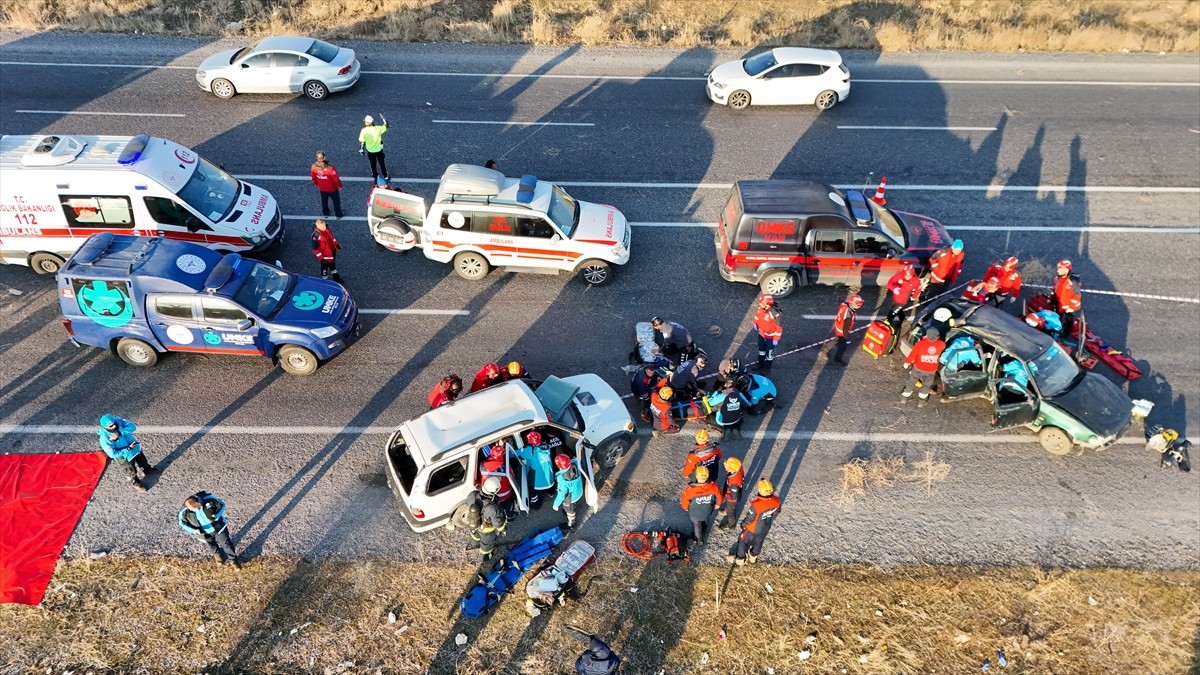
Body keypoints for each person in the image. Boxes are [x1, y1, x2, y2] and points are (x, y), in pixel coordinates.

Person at [178, 492, 240, 567]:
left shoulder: (208, 499)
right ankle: (217, 554)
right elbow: (182, 523)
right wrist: (194, 530)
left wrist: (216, 516)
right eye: (193, 510)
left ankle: (233, 560)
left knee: (226, 544)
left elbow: (222, 504)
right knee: (210, 545)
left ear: (198, 501)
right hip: (203, 533)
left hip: (218, 527)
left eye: (198, 507)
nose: (196, 510)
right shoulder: (184, 512)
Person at [728, 479, 781, 565]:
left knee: (743, 541)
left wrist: (743, 524)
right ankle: (753, 556)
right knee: (759, 542)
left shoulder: (756, 504)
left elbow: (750, 518)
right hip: (765, 528)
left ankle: (740, 559)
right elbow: (777, 511)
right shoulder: (776, 500)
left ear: (760, 490)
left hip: (751, 529)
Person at [97, 414, 155, 491]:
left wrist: (119, 433)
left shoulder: (119, 421)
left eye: (114, 423)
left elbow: (132, 427)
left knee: (143, 461)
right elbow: (112, 454)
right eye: (111, 426)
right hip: (124, 457)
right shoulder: (104, 439)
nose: (114, 426)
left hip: (134, 449)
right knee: (130, 471)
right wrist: (127, 449)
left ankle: (147, 470)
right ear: (105, 427)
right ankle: (135, 483)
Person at [902, 327, 946, 407]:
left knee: (911, 382)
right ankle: (921, 402)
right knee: (926, 385)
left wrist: (907, 362)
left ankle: (904, 397)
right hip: (931, 370)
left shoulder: (920, 344)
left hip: (918, 368)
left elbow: (913, 354)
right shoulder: (941, 344)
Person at [680, 465, 722, 546]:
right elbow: (719, 496)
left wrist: (685, 508)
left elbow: (684, 501)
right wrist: (718, 504)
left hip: (695, 513)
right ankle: (704, 528)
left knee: (697, 524)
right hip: (708, 510)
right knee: (705, 519)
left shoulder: (690, 490)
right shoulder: (714, 486)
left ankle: (699, 539)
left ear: (696, 476)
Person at [513, 430, 555, 510]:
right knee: (546, 488)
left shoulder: (530, 451)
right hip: (549, 479)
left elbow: (514, 453)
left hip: (537, 483)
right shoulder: (546, 446)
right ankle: (551, 492)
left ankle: (535, 506)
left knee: (534, 493)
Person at [470, 477, 507, 560]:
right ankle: (486, 556)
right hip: (486, 530)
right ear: (494, 491)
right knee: (487, 544)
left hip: (473, 524)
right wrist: (503, 529)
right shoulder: (492, 508)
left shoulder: (473, 494)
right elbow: (497, 523)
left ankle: (474, 543)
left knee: (475, 535)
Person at [479, 443, 516, 519]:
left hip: (490, 495)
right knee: (508, 509)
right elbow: (513, 477)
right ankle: (510, 517)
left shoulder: (482, 465)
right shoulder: (505, 467)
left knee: (496, 510)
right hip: (505, 495)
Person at [829, 293, 864, 366]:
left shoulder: (844, 305)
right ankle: (837, 359)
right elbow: (845, 330)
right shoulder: (849, 317)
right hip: (842, 332)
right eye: (858, 304)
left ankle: (825, 349)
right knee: (842, 347)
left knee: (836, 340)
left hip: (838, 327)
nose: (859, 306)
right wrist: (847, 338)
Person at [630, 358, 669, 423]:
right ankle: (646, 412)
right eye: (649, 373)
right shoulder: (641, 380)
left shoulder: (645, 368)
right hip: (638, 390)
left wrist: (658, 377)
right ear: (646, 370)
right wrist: (648, 400)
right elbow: (644, 393)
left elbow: (655, 373)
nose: (651, 374)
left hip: (640, 385)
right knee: (649, 399)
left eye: (652, 373)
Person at [552, 453, 584, 529]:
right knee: (572, 505)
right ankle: (571, 511)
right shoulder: (575, 463)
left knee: (569, 509)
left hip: (571, 498)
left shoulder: (563, 481)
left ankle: (571, 524)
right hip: (578, 491)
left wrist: (556, 505)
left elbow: (561, 495)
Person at [309, 151, 344, 219]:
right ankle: (338, 214)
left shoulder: (313, 167)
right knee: (336, 201)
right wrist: (339, 185)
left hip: (322, 187)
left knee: (324, 201)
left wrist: (316, 184)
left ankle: (325, 213)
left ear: (317, 158)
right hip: (332, 188)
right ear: (324, 157)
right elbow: (335, 178)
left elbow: (313, 177)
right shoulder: (329, 168)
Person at [1052, 259, 1083, 337]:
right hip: (1060, 303)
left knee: (1068, 320)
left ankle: (1066, 333)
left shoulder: (1073, 281)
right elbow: (1057, 288)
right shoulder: (1059, 278)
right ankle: (1057, 328)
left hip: (1068, 307)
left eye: (1060, 268)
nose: (1058, 270)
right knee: (1058, 316)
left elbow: (1077, 295)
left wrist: (1071, 307)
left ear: (1066, 269)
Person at [886, 264, 922, 331]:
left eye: (909, 276)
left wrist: (914, 297)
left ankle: (888, 323)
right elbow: (890, 282)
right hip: (895, 297)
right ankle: (902, 319)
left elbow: (918, 289)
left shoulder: (915, 281)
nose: (907, 277)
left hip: (903, 300)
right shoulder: (899, 275)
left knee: (893, 312)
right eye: (906, 275)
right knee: (897, 310)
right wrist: (893, 288)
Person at [753, 294, 783, 369]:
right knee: (761, 350)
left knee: (769, 354)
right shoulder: (760, 309)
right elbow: (757, 317)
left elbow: (779, 328)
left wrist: (776, 339)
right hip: (762, 334)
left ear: (767, 304)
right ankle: (760, 363)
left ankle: (767, 367)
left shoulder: (775, 314)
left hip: (771, 337)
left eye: (762, 303)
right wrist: (755, 323)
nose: (760, 304)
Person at [358, 113, 389, 183]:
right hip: (379, 150)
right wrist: (383, 118)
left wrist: (361, 150)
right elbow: (387, 125)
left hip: (370, 151)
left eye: (365, 121)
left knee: (373, 164)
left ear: (367, 122)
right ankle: (386, 176)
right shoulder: (378, 128)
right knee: (382, 163)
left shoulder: (363, 130)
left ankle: (375, 177)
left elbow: (362, 141)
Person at [715, 457, 744, 529]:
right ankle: (727, 509)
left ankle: (731, 525)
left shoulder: (734, 482)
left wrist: (726, 495)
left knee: (731, 513)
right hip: (734, 491)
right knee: (729, 507)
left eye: (728, 467)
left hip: (732, 498)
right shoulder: (739, 468)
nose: (726, 467)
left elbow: (733, 496)